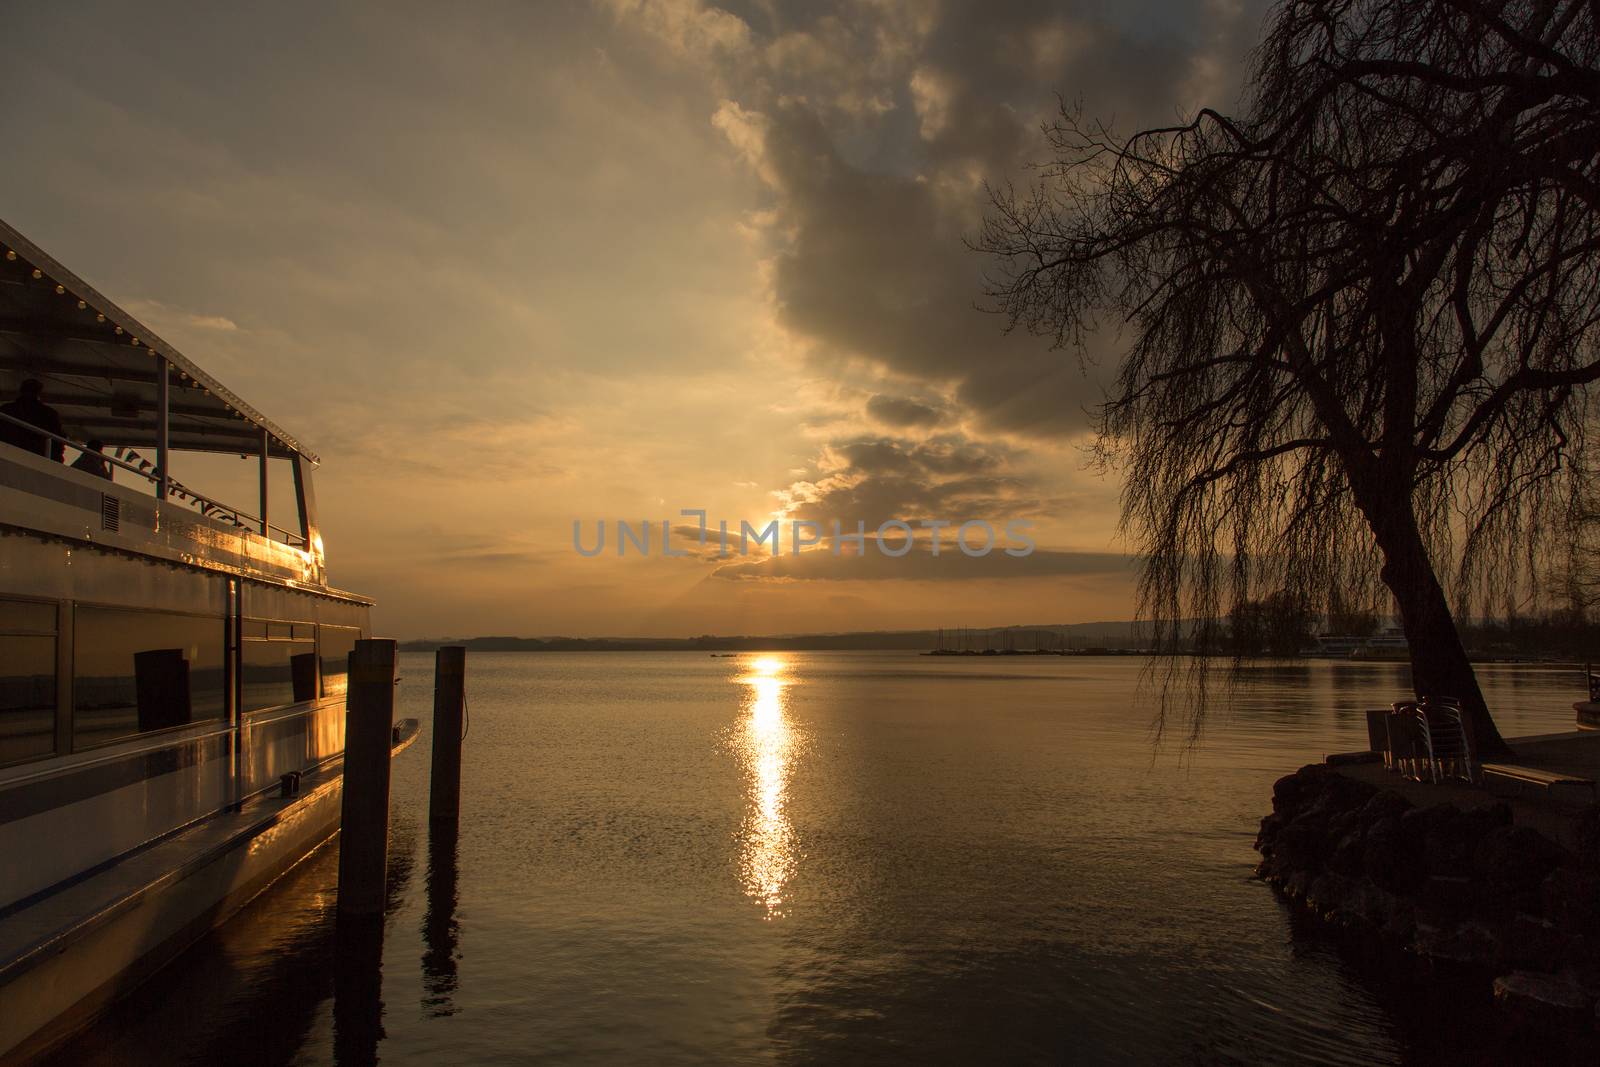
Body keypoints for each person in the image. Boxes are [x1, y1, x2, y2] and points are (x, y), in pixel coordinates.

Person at [0, 379, 65, 462]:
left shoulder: (6, 409)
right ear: (39, 392)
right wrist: (57, 460)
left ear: (21, 390)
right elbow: (57, 439)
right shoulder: (48, 413)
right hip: (38, 455)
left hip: (8, 451)